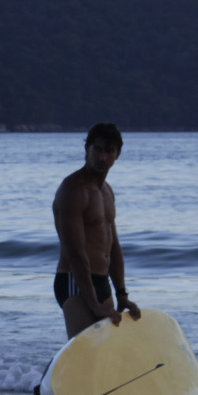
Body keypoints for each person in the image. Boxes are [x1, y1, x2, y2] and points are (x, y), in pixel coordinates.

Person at [52, 122, 141, 338]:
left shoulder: (106, 192)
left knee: (106, 356)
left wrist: (121, 293)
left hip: (101, 282)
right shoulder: (73, 189)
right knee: (85, 357)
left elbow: (113, 246)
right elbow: (76, 252)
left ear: (117, 155)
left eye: (109, 151)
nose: (102, 157)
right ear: (87, 149)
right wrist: (94, 303)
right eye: (98, 149)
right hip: (75, 281)